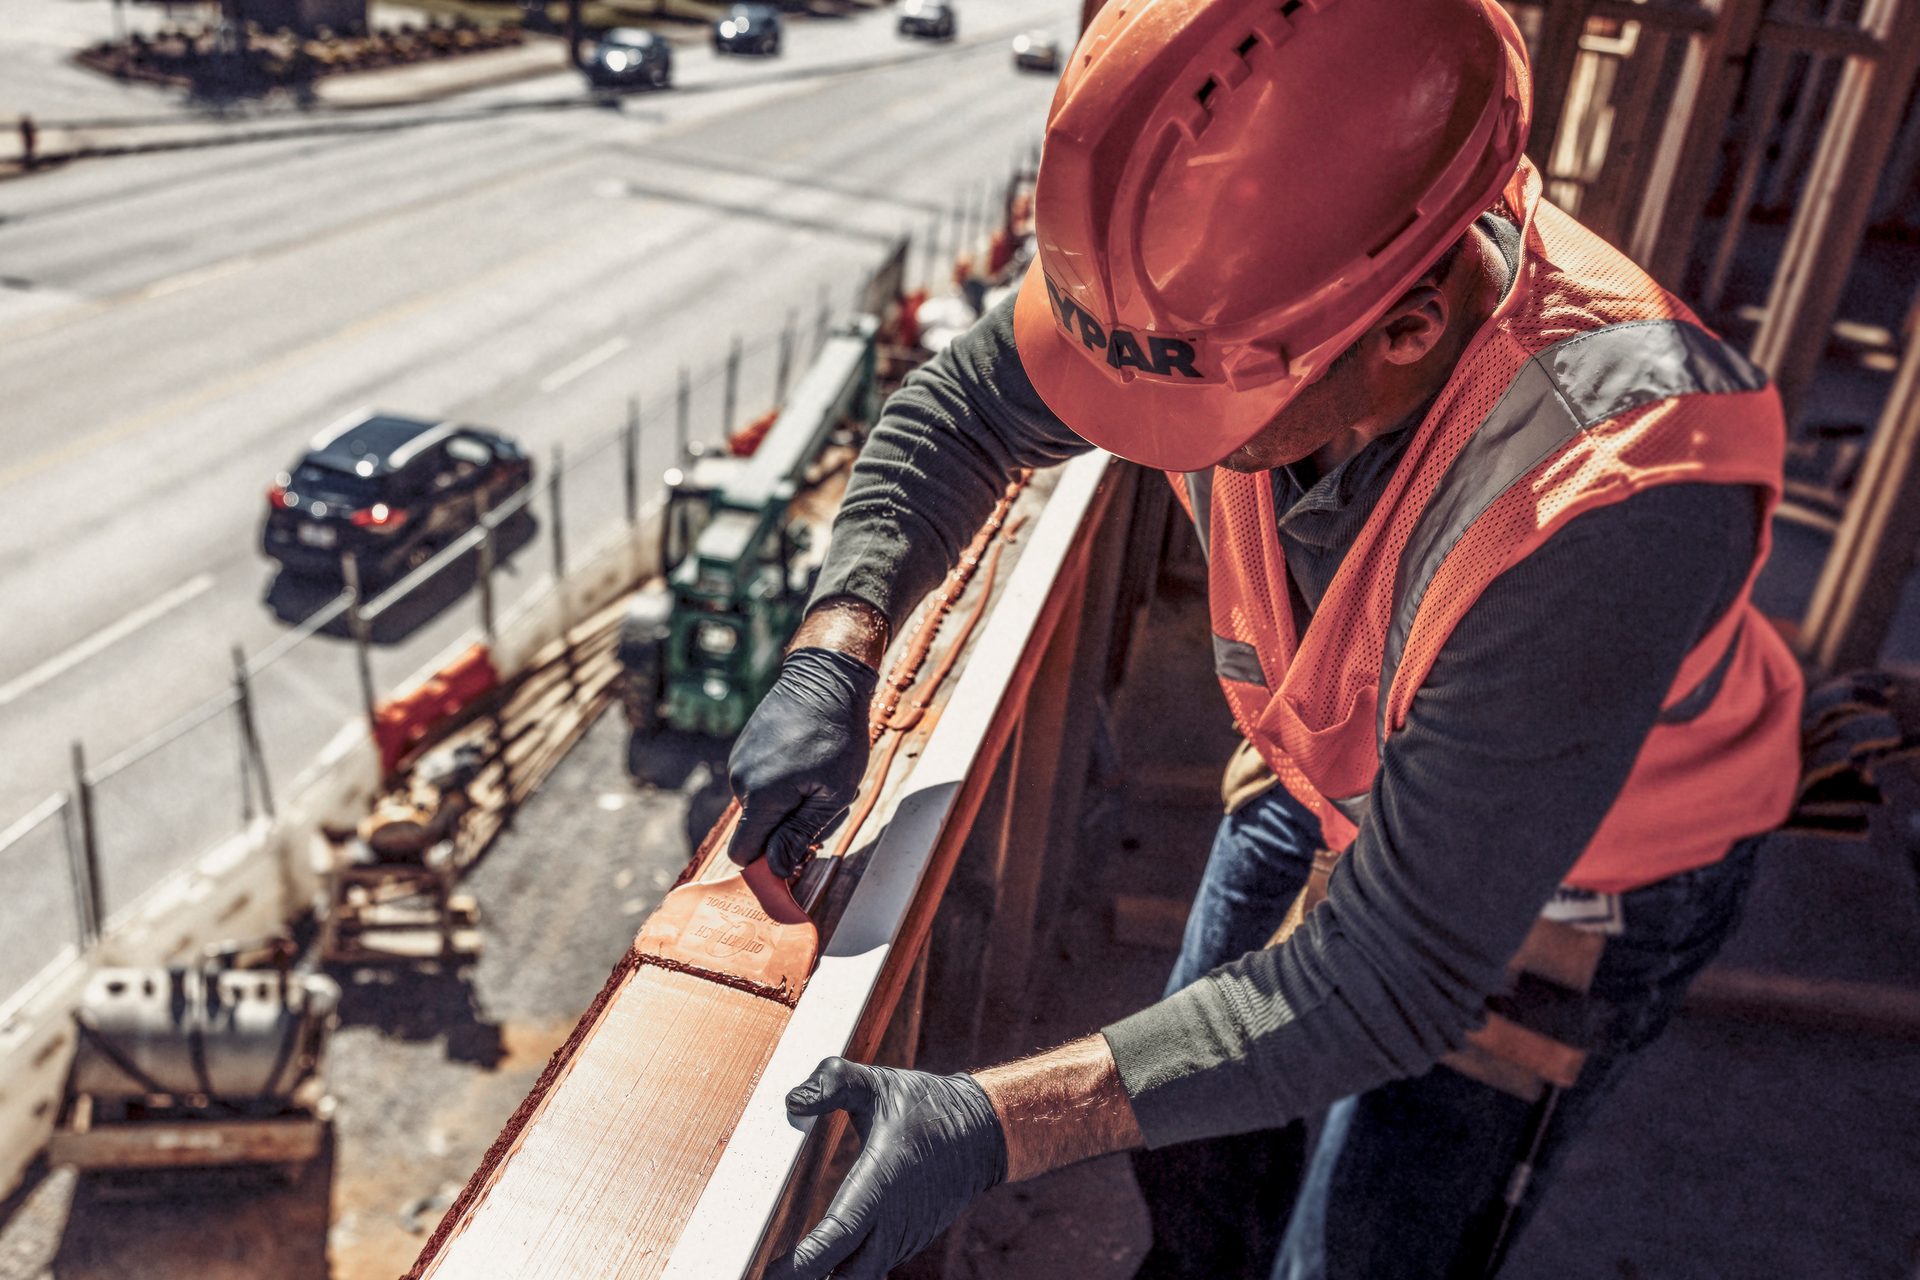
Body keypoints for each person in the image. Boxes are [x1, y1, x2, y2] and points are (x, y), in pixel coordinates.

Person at [722, 2, 1806, 1277]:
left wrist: (991, 1122)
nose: (1146, 428)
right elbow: (968, 410)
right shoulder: (1219, 281)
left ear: (1408, 330)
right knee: (1186, 1161)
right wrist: (835, 647)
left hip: (1586, 875)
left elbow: (1389, 980)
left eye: (1193, 406)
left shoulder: (1615, 491)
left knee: (1360, 1246)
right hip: (1322, 772)